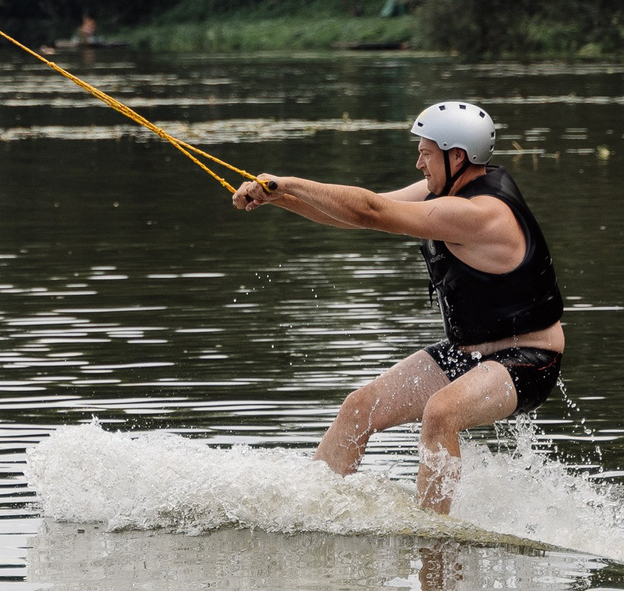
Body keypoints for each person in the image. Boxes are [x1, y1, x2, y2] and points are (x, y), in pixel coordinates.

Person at [230, 101, 564, 513]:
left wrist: (287, 182)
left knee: (441, 412)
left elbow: (370, 211)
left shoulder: (477, 213)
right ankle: (310, 511)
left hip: (529, 359)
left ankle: (434, 535)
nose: (419, 163)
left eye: (426, 153)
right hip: (468, 353)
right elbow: (356, 214)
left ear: (457, 156)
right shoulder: (445, 191)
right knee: (359, 408)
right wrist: (277, 197)